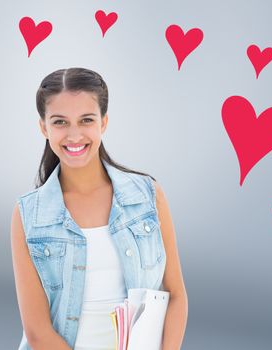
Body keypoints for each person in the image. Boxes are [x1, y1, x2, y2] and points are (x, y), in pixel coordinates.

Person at [10, 67, 188, 349]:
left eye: (86, 120)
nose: (74, 135)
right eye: (60, 122)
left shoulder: (148, 196)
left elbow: (176, 294)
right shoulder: (30, 214)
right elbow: (37, 332)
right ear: (43, 127)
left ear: (103, 123)